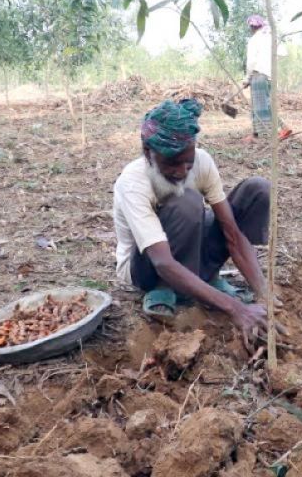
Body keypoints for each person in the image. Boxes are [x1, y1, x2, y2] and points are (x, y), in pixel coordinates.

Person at [113, 98, 272, 350]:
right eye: (171, 163)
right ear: (147, 153)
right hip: (147, 269)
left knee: (257, 191)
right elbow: (162, 262)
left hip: (190, 252)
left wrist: (264, 293)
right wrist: (236, 308)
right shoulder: (133, 183)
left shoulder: (201, 162)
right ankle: (171, 289)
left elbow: (231, 233)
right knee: (186, 200)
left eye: (187, 162)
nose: (181, 171)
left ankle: (204, 278)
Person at [242, 14, 292, 143]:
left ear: (252, 27)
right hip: (270, 76)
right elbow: (283, 52)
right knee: (267, 106)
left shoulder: (254, 40)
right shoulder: (270, 37)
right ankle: (283, 128)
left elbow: (251, 62)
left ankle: (260, 135)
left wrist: (247, 78)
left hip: (258, 75)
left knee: (258, 107)